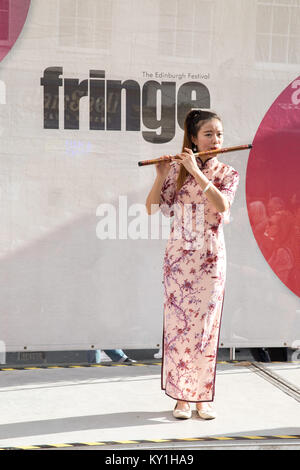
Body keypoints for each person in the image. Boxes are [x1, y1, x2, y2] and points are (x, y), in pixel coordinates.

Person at [145, 109, 240, 420]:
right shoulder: (176, 172)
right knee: (178, 329)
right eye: (209, 134)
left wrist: (197, 172)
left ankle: (202, 398)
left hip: (211, 257)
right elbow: (153, 208)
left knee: (205, 329)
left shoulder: (228, 173)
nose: (216, 140)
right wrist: (160, 175)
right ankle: (181, 398)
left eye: (219, 134)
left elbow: (222, 205)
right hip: (179, 258)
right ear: (194, 139)